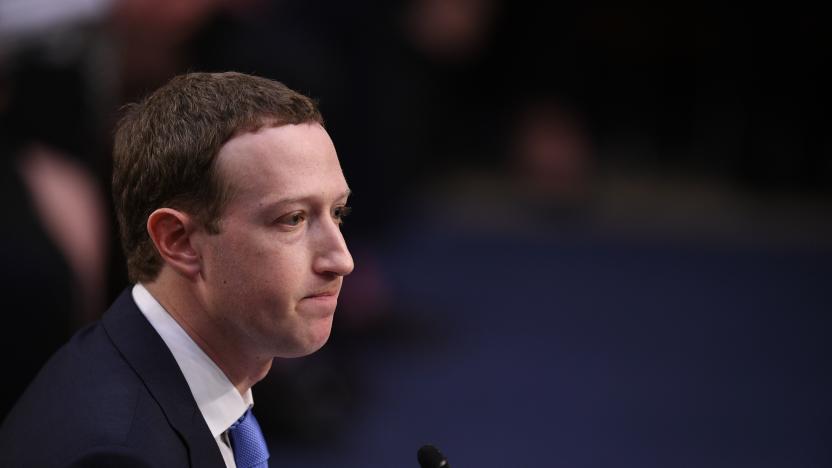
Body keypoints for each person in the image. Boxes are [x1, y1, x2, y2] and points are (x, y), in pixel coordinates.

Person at [0, 71, 354, 467]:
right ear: (179, 242)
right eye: (292, 219)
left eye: (338, 212)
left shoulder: (172, 378)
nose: (341, 260)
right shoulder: (119, 454)